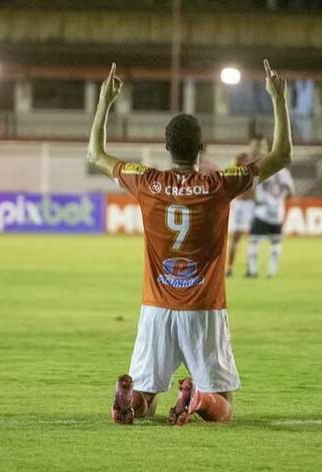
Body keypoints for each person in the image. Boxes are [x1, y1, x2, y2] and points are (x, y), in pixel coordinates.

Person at [87, 61, 292, 426]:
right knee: (223, 405)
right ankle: (196, 396)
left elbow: (96, 156)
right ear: (202, 146)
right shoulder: (220, 184)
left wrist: (105, 103)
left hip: (156, 308)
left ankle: (128, 399)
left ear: (166, 146)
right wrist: (278, 100)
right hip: (204, 308)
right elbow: (281, 156)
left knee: (147, 399)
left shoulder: (146, 181)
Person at [226, 136, 266, 276]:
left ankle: (251, 269)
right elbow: (230, 175)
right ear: (250, 145)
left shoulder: (264, 162)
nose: (258, 148)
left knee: (254, 237)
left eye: (261, 145)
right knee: (235, 237)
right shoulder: (241, 158)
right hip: (240, 203)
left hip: (253, 204)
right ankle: (229, 268)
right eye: (256, 145)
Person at [246, 165, 294, 278]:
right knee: (276, 242)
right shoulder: (284, 173)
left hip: (262, 211)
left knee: (253, 241)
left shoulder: (263, 170)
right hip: (277, 213)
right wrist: (279, 200)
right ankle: (272, 271)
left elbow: (252, 189)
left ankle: (253, 271)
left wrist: (256, 201)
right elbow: (291, 192)